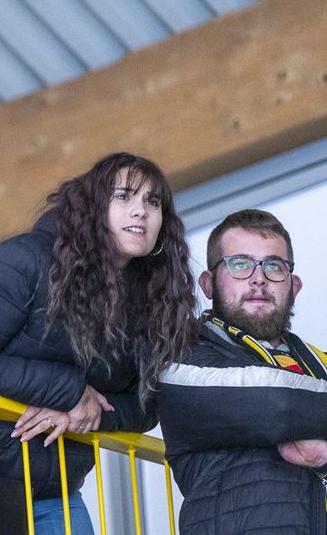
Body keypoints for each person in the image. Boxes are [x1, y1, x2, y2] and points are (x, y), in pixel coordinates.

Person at [0, 152, 196, 534]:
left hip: (53, 490)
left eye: (153, 202)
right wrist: (71, 392)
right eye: (123, 196)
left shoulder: (151, 298)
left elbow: (146, 403)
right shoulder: (22, 260)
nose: (141, 211)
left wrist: (87, 414)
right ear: (92, 206)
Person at [156, 209, 327, 535]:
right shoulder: (183, 359)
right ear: (208, 284)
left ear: (294, 286)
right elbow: (279, 403)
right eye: (239, 264)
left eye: (273, 266)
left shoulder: (318, 364)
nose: (258, 278)